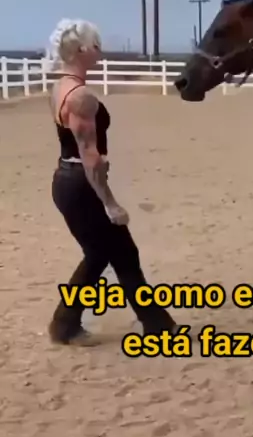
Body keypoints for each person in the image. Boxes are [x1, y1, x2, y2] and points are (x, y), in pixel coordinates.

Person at [46, 18, 177, 346]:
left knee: (110, 253)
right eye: (97, 46)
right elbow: (90, 156)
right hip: (82, 185)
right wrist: (110, 203)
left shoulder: (60, 87)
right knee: (108, 253)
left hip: (68, 179)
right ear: (81, 50)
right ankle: (66, 325)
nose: (100, 52)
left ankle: (154, 324)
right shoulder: (81, 97)